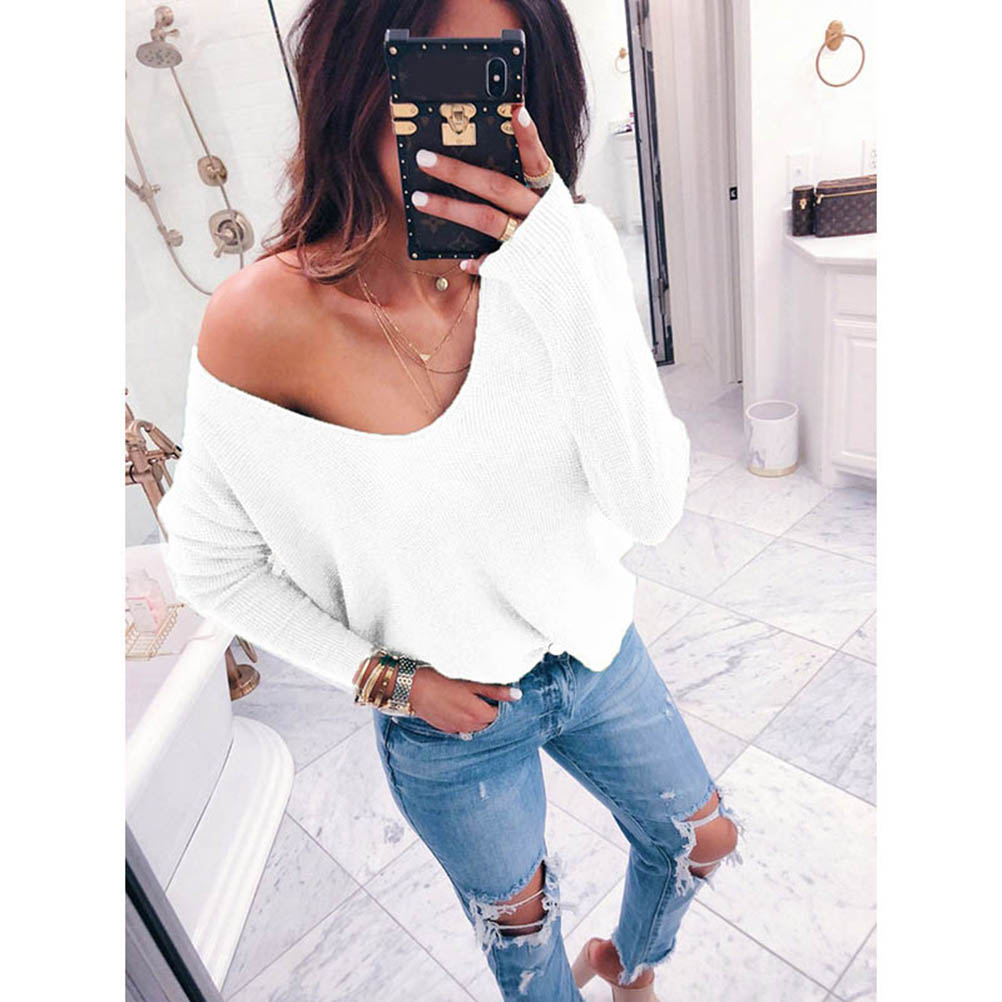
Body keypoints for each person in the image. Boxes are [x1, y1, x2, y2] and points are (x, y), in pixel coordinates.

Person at [156, 1, 743, 999]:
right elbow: (213, 566)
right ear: (353, 76)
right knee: (525, 942)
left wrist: (558, 260)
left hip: (598, 653)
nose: (473, 111)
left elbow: (649, 509)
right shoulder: (264, 321)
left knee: (703, 838)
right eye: (436, 68)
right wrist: (391, 682)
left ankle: (632, 966)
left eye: (502, 71)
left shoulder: (571, 254)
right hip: (450, 720)